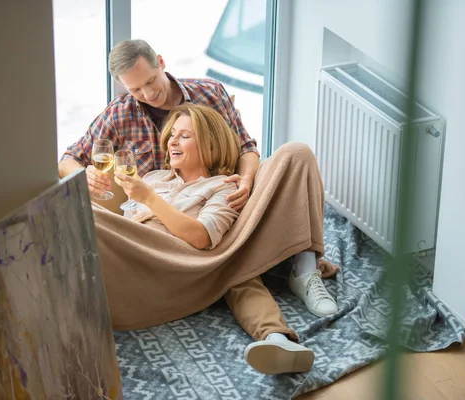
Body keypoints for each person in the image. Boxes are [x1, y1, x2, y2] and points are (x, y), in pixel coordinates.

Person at [59, 39, 339, 372]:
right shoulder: (151, 167)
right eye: (136, 90)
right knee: (236, 270)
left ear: (160, 62)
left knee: (294, 157)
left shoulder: (217, 172)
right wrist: (88, 177)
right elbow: (69, 159)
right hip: (158, 250)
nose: (147, 94)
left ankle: (291, 302)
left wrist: (246, 181)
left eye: (150, 82)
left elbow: (245, 151)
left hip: (211, 234)